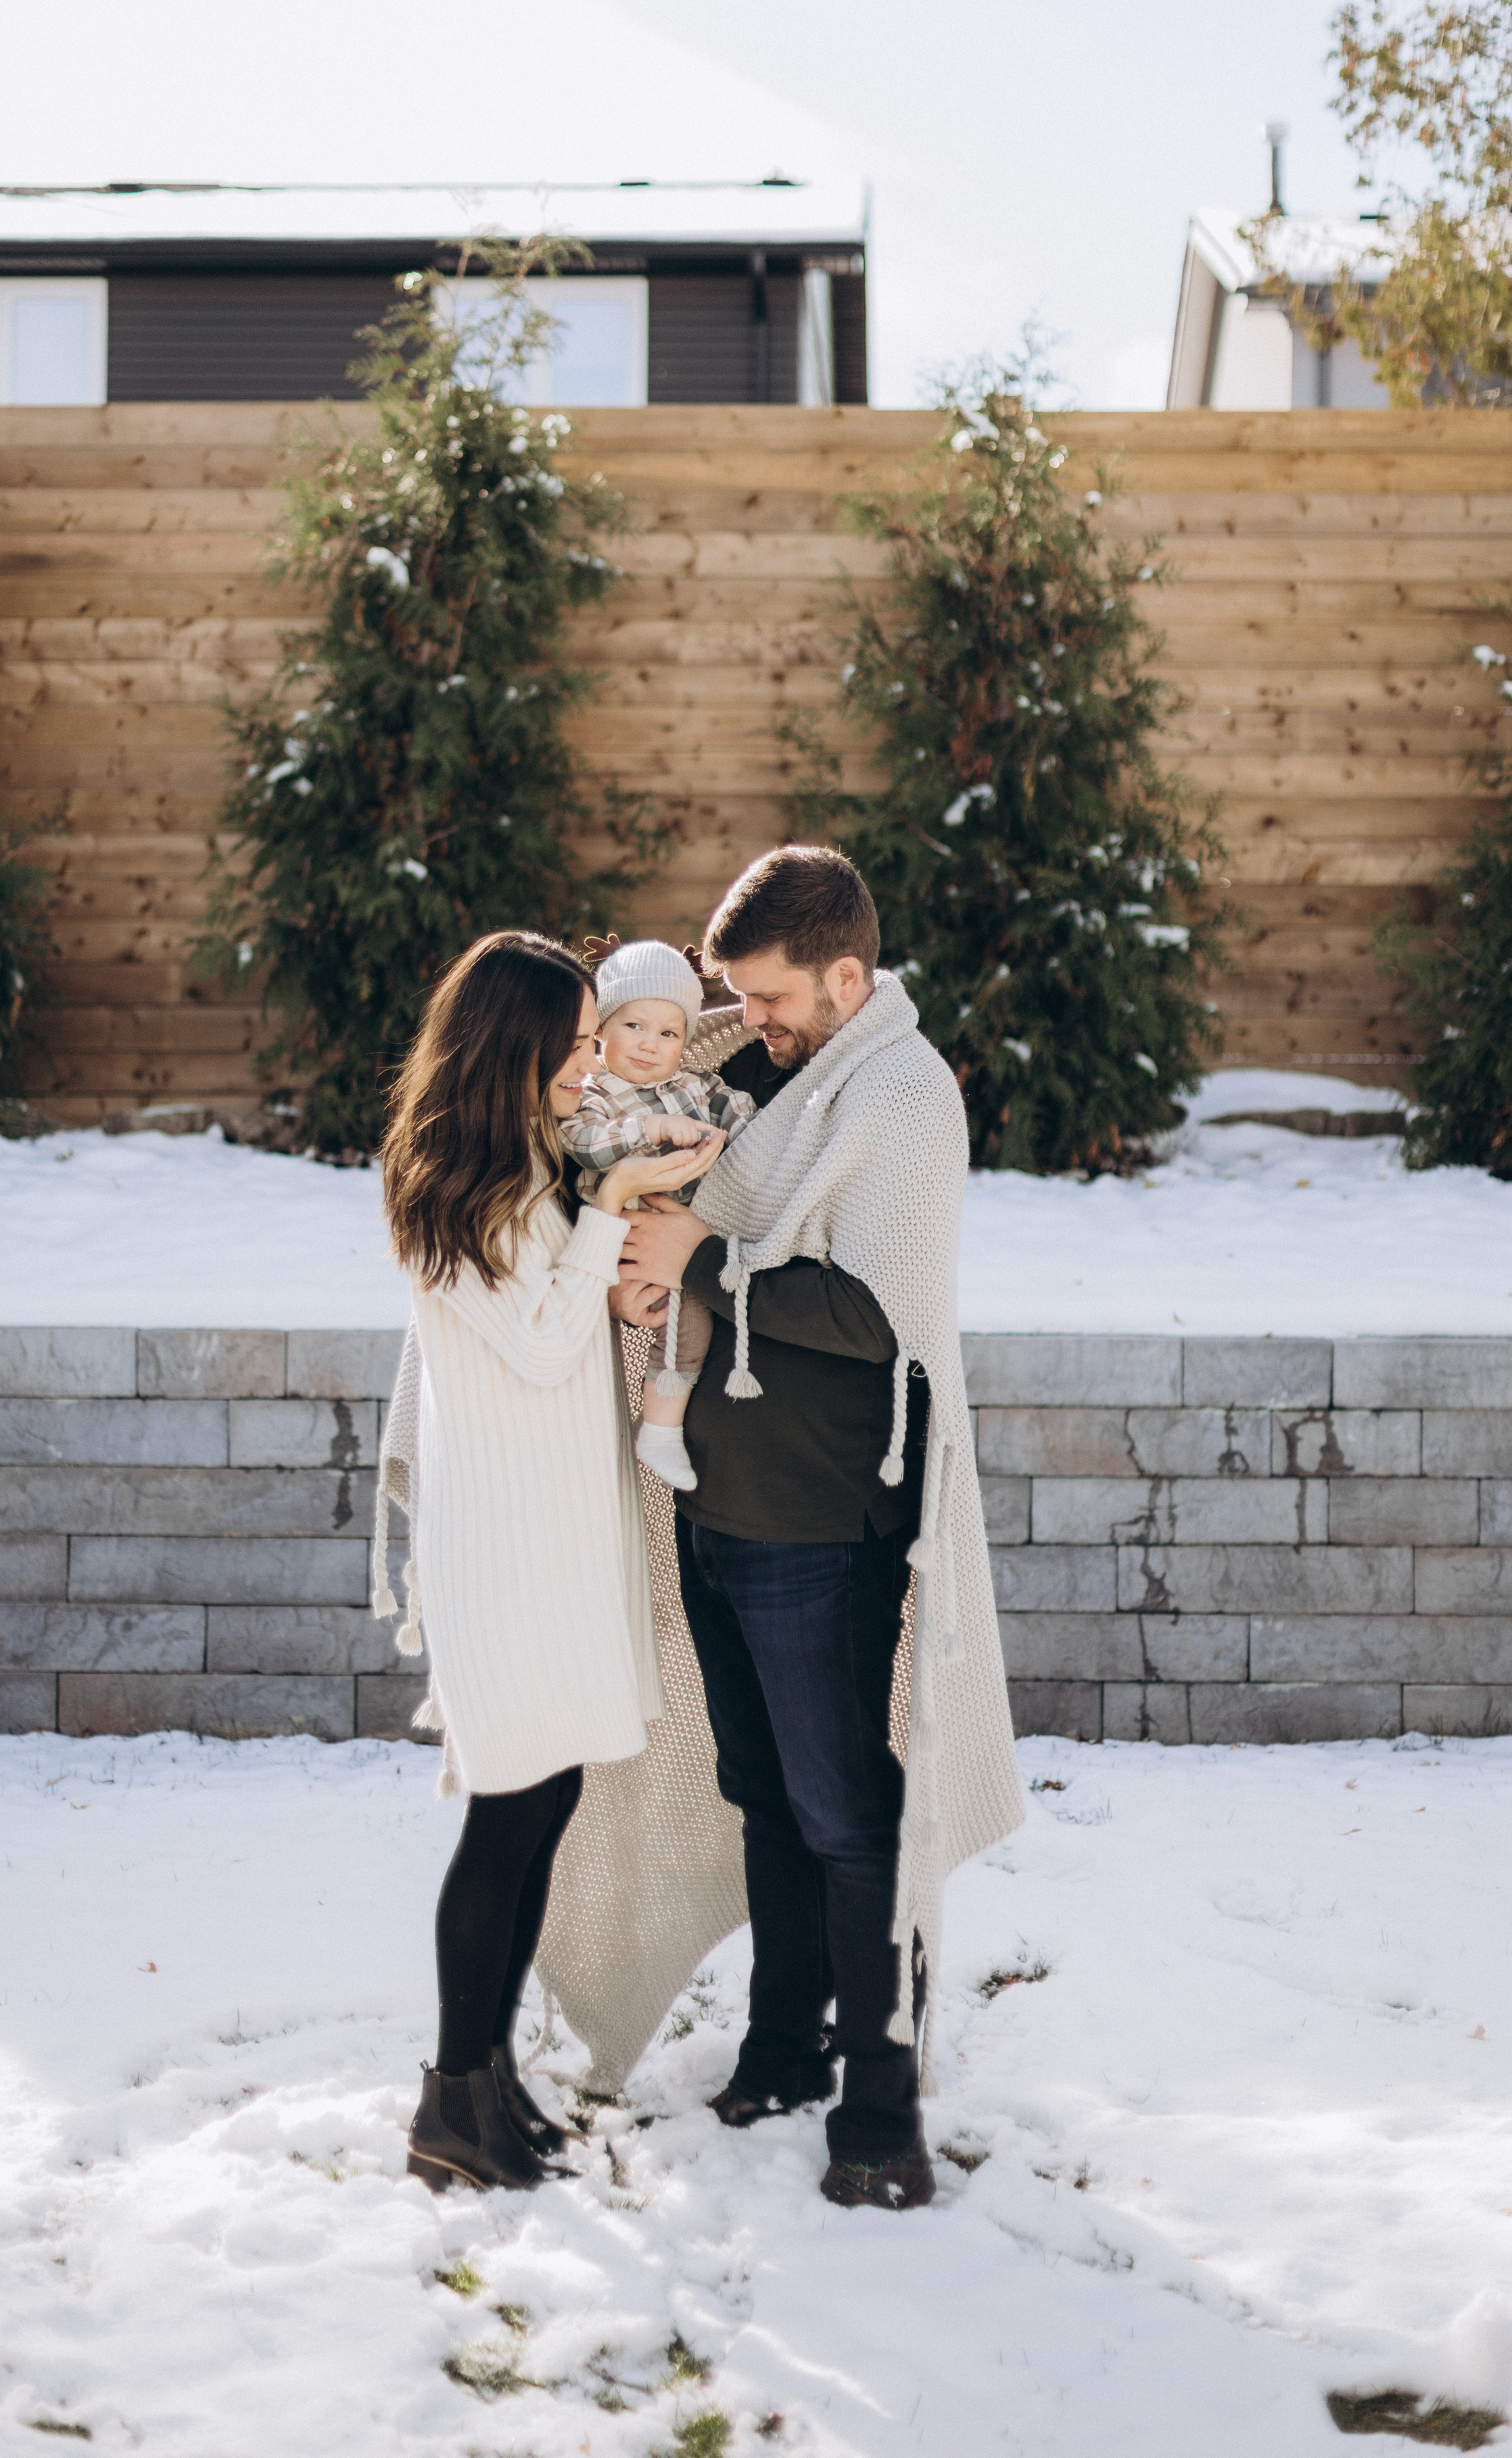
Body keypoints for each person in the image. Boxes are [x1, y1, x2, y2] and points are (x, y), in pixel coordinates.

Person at [611, 846, 1024, 2212]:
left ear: (847, 977)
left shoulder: (900, 1097)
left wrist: (704, 1262)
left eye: (775, 994)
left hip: (822, 1514)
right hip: (718, 1496)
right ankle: (785, 2047)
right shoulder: (758, 1073)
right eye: (742, 993)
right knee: (764, 1796)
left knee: (848, 1811)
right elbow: (649, 1056)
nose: (754, 1014)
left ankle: (882, 2108)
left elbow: (879, 1319)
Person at [375, 930, 723, 2194]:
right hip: (506, 1552)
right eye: (574, 1043)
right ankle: (449, 2105)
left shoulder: (534, 1158)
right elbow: (531, 1345)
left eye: (593, 1041)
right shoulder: (454, 1184)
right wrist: (613, 1212)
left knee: (549, 1806)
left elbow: (571, 1324)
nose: (591, 1065)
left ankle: (491, 2091)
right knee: (509, 1814)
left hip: (562, 1535)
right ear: (510, 1046)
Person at [558, 937, 759, 1494]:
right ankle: (661, 1428)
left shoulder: (696, 1086)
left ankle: (669, 1421)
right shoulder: (596, 1095)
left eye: (668, 1034)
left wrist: (745, 1130)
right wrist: (649, 1131)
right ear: (601, 1029)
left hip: (695, 1227)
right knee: (677, 1316)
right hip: (630, 1232)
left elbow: (744, 1117)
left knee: (702, 1314)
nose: (650, 1046)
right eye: (634, 1027)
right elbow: (584, 1144)